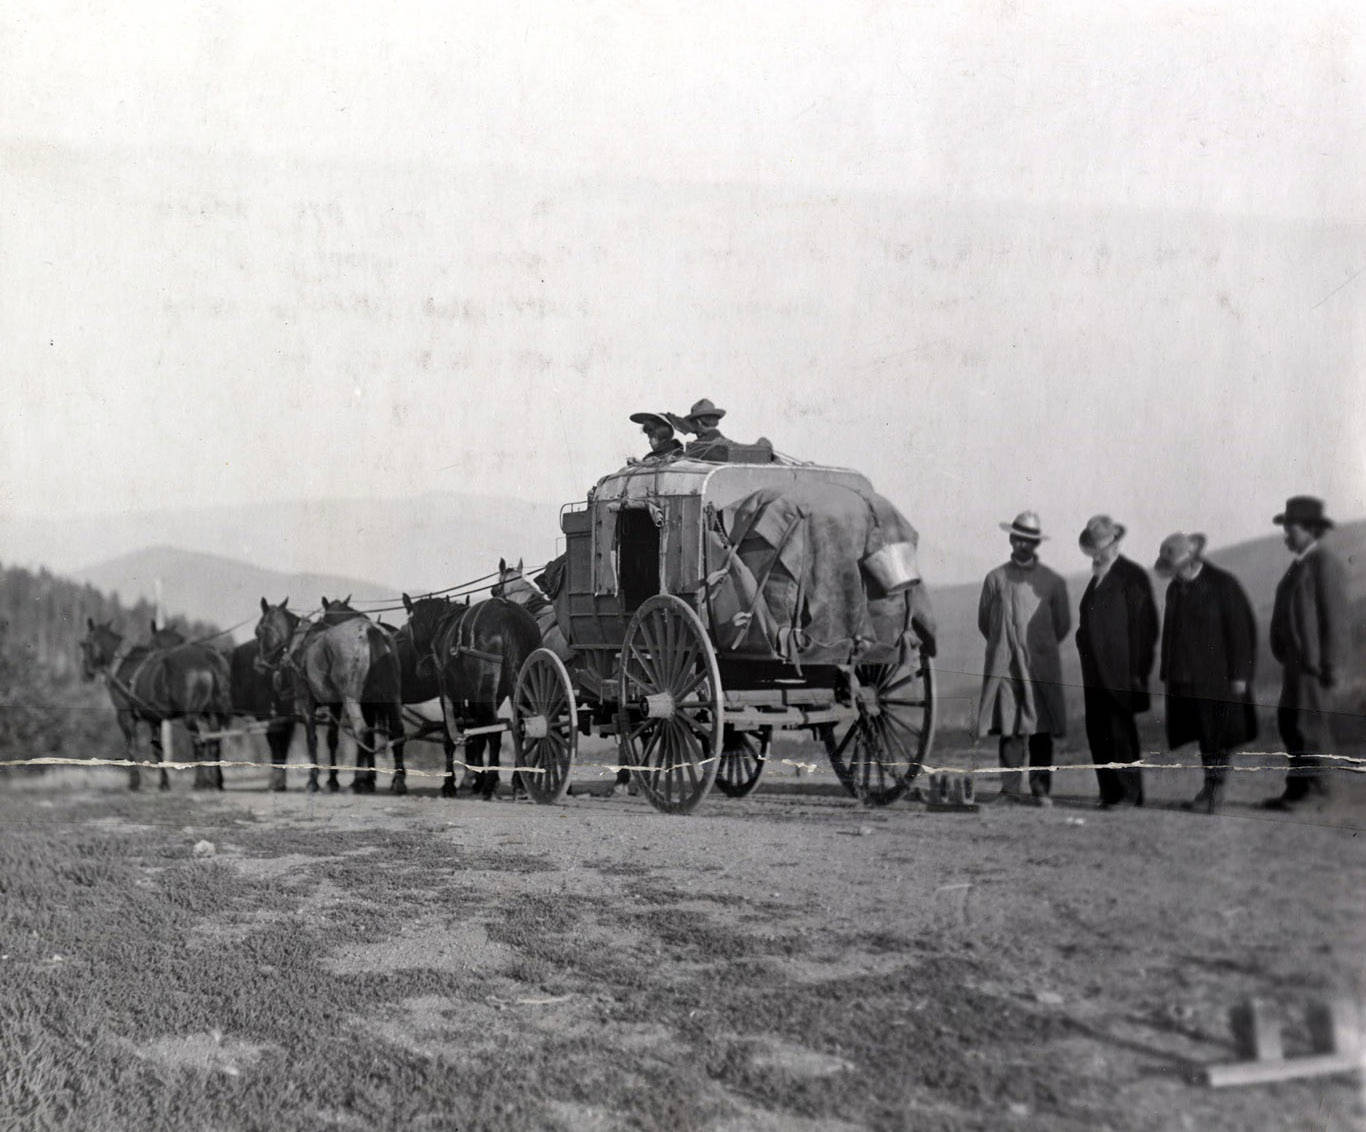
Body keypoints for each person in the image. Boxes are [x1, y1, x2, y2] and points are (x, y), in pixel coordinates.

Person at [1154, 531, 1257, 814]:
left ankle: (1215, 790)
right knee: (1203, 733)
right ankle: (1210, 786)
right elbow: (1170, 633)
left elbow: (1241, 631)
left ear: (1190, 562)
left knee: (1220, 733)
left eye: (1176, 569)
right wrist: (1168, 671)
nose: (1174, 575)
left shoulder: (1223, 585)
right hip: (1185, 678)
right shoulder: (1175, 589)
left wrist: (1240, 675)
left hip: (1219, 677)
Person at [976, 511, 1071, 806]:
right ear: (1011, 539)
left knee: (1040, 728)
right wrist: (1006, 646)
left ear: (1036, 544)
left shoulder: (1052, 582)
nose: (1022, 545)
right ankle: (1010, 789)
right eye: (1018, 539)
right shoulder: (995, 579)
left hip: (1040, 666)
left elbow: (1063, 625)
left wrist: (1038, 647)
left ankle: (1041, 790)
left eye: (1029, 540)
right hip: (1006, 665)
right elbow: (985, 623)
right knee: (1010, 726)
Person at [1262, 496, 1349, 811]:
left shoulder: (1325, 564)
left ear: (1311, 529)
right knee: (1290, 722)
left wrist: (1332, 666)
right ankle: (1299, 788)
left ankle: (1320, 791)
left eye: (1291, 528)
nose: (1286, 534)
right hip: (1295, 665)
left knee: (1309, 726)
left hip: (1314, 666)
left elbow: (1335, 619)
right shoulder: (1300, 564)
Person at [1076, 514, 1159, 808]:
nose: (1098, 553)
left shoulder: (1131, 577)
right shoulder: (1097, 578)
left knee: (1119, 732)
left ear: (1115, 545)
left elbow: (1146, 628)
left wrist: (1138, 671)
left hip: (1121, 673)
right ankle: (1110, 792)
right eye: (1094, 548)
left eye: (1103, 547)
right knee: (1098, 731)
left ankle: (1128, 793)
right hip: (1096, 673)